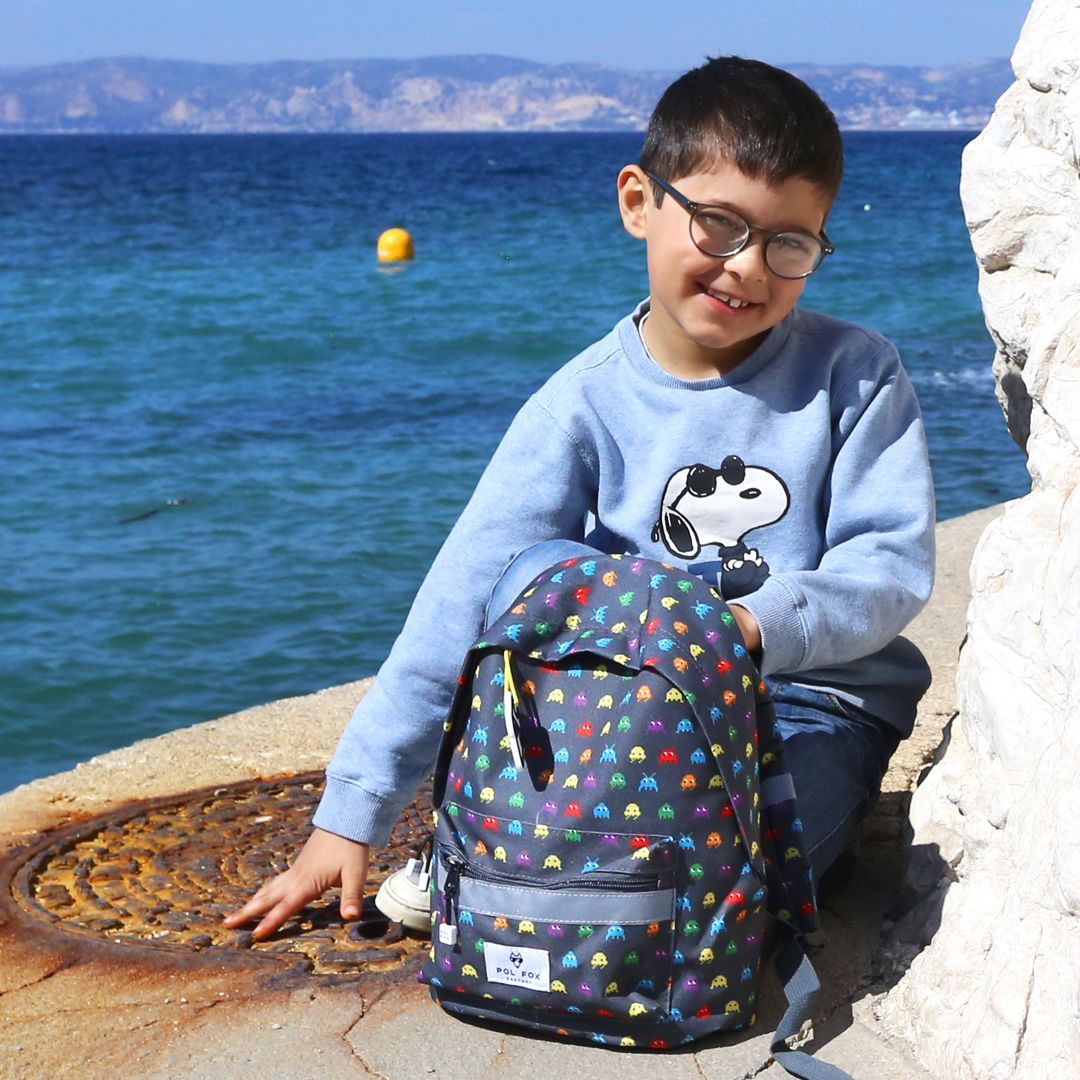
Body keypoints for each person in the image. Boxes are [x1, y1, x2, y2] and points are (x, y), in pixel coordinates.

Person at [226, 55, 934, 941]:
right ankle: (484, 852)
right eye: (718, 224)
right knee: (556, 668)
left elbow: (889, 568)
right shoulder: (580, 405)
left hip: (813, 699)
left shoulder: (854, 374)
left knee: (747, 878)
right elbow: (463, 604)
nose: (747, 266)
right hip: (628, 708)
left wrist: (749, 628)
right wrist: (352, 811)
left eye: (789, 243)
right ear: (640, 201)